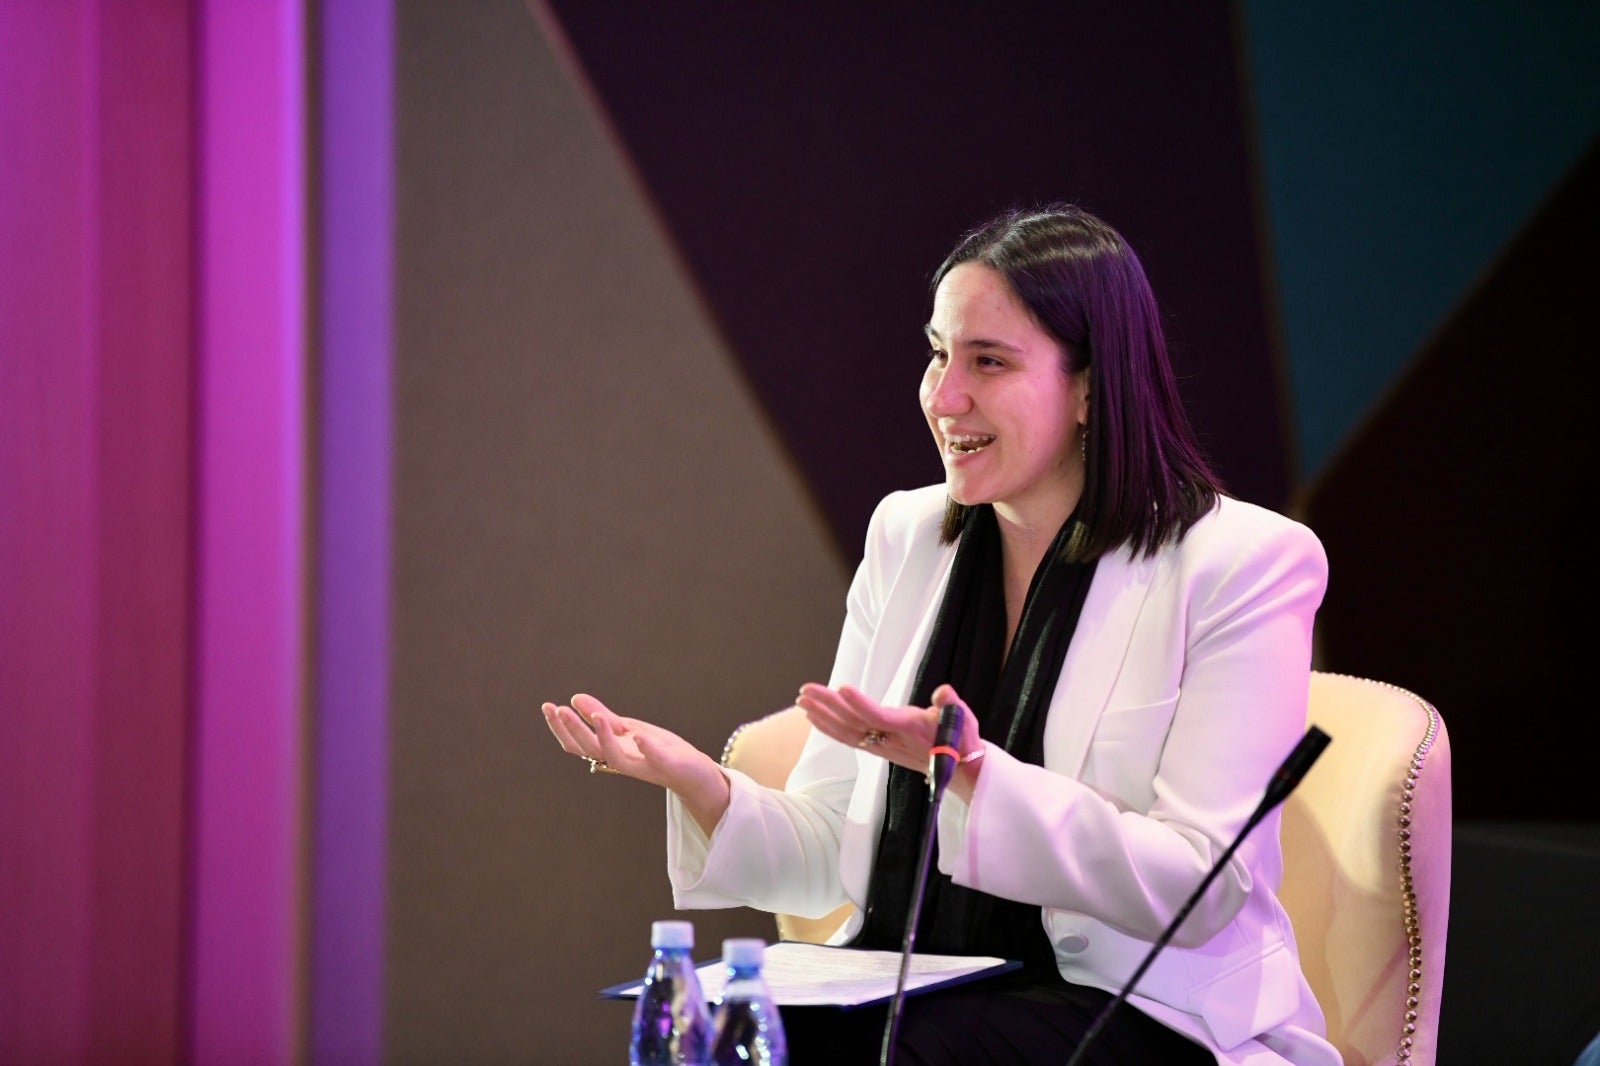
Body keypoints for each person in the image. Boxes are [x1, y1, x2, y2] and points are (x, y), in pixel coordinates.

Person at [543, 203, 1339, 1065]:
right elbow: (833, 848)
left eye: (988, 362)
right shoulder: (909, 535)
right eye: (937, 353)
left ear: (1090, 386)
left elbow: (1204, 882)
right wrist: (702, 784)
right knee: (728, 1034)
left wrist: (970, 776)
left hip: (1139, 1009)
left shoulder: (1243, 562)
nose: (943, 395)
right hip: (915, 982)